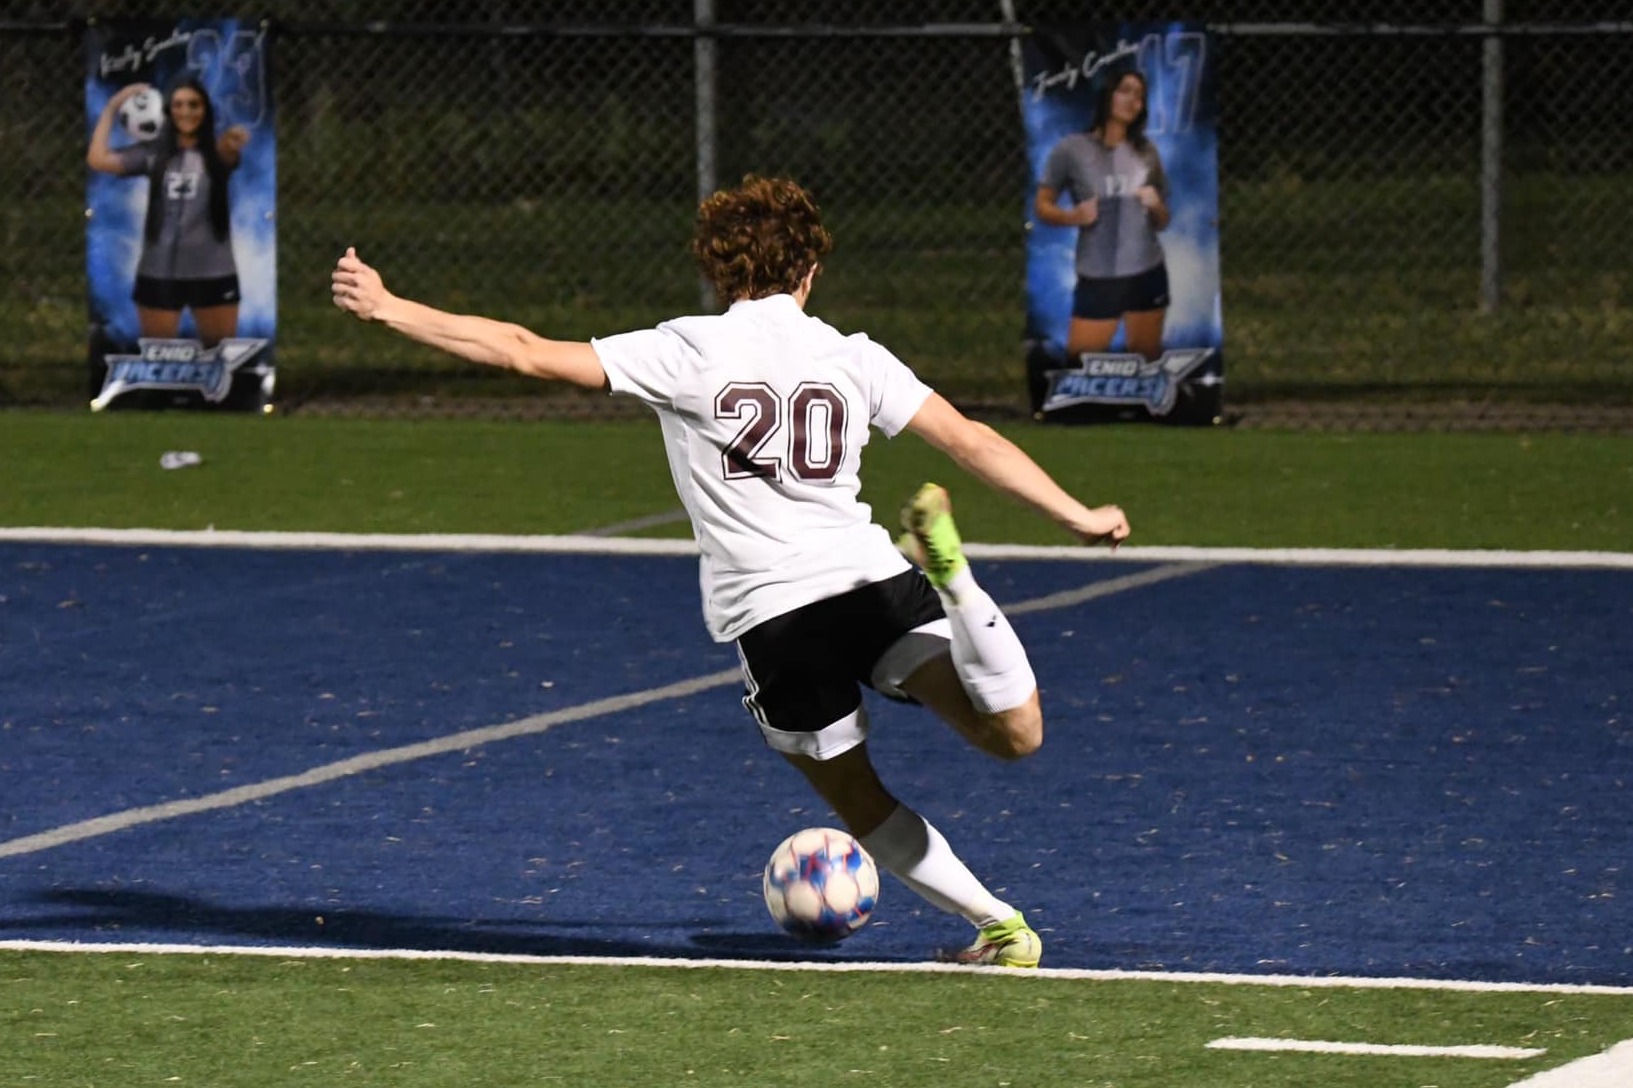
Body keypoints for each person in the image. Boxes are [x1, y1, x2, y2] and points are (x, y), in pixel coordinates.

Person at [330, 175, 1130, 967]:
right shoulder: (851, 355)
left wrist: (389, 306)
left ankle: (999, 927)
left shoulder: (685, 348)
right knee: (1014, 735)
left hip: (774, 620)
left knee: (858, 799)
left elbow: (522, 351)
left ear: (717, 272)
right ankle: (956, 581)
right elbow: (969, 441)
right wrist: (1076, 514)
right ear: (809, 272)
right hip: (872, 584)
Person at [87, 76, 250, 347]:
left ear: (205, 110)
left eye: (194, 104)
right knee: (158, 357)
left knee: (220, 358)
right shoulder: (153, 153)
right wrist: (113, 107)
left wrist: (233, 142)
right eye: (178, 104)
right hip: (158, 271)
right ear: (167, 110)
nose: (186, 112)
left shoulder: (216, 151)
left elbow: (228, 154)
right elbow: (98, 159)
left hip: (213, 271)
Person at [1034, 67, 1171, 361]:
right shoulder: (1072, 149)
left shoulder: (1147, 152)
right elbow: (1042, 205)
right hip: (1098, 275)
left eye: (1140, 96)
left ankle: (1142, 410)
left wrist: (1156, 205)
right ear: (1107, 95)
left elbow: (1162, 221)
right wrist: (1074, 216)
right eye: (1125, 91)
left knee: (1147, 362)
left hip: (1147, 271)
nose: (1132, 101)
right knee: (1081, 364)